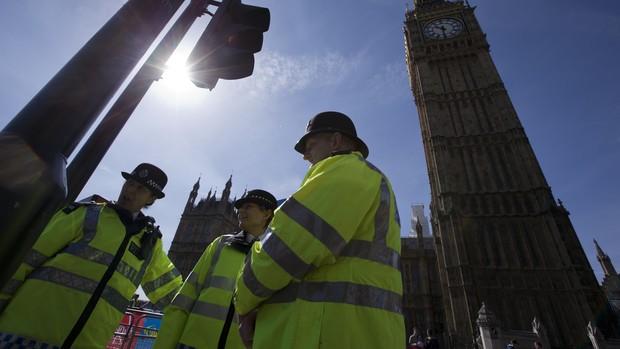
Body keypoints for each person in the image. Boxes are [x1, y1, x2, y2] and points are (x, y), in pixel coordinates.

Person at [234, 111, 406, 348]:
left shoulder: (347, 170)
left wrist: (243, 301)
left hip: (331, 332)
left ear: (335, 141)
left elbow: (283, 250)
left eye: (311, 145)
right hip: (352, 330)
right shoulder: (368, 178)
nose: (305, 156)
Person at [0, 163, 183, 348]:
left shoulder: (150, 242)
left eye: (140, 188)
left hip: (87, 342)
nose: (129, 190)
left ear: (151, 199)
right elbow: (25, 258)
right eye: (130, 183)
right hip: (26, 333)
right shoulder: (87, 214)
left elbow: (172, 294)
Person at [153, 189, 277, 349]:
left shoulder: (276, 256)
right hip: (194, 343)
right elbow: (184, 301)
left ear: (266, 214)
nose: (240, 211)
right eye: (240, 207)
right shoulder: (221, 245)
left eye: (248, 206)